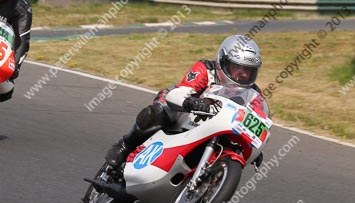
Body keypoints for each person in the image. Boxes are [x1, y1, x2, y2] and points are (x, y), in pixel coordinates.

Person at [106, 35, 264, 167]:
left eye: (249, 71)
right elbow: (181, 91)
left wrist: (255, 146)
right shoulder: (206, 69)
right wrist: (191, 102)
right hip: (185, 113)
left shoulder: (253, 93)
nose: (243, 75)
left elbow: (258, 120)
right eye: (238, 68)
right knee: (159, 111)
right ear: (222, 61)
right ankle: (124, 145)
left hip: (215, 128)